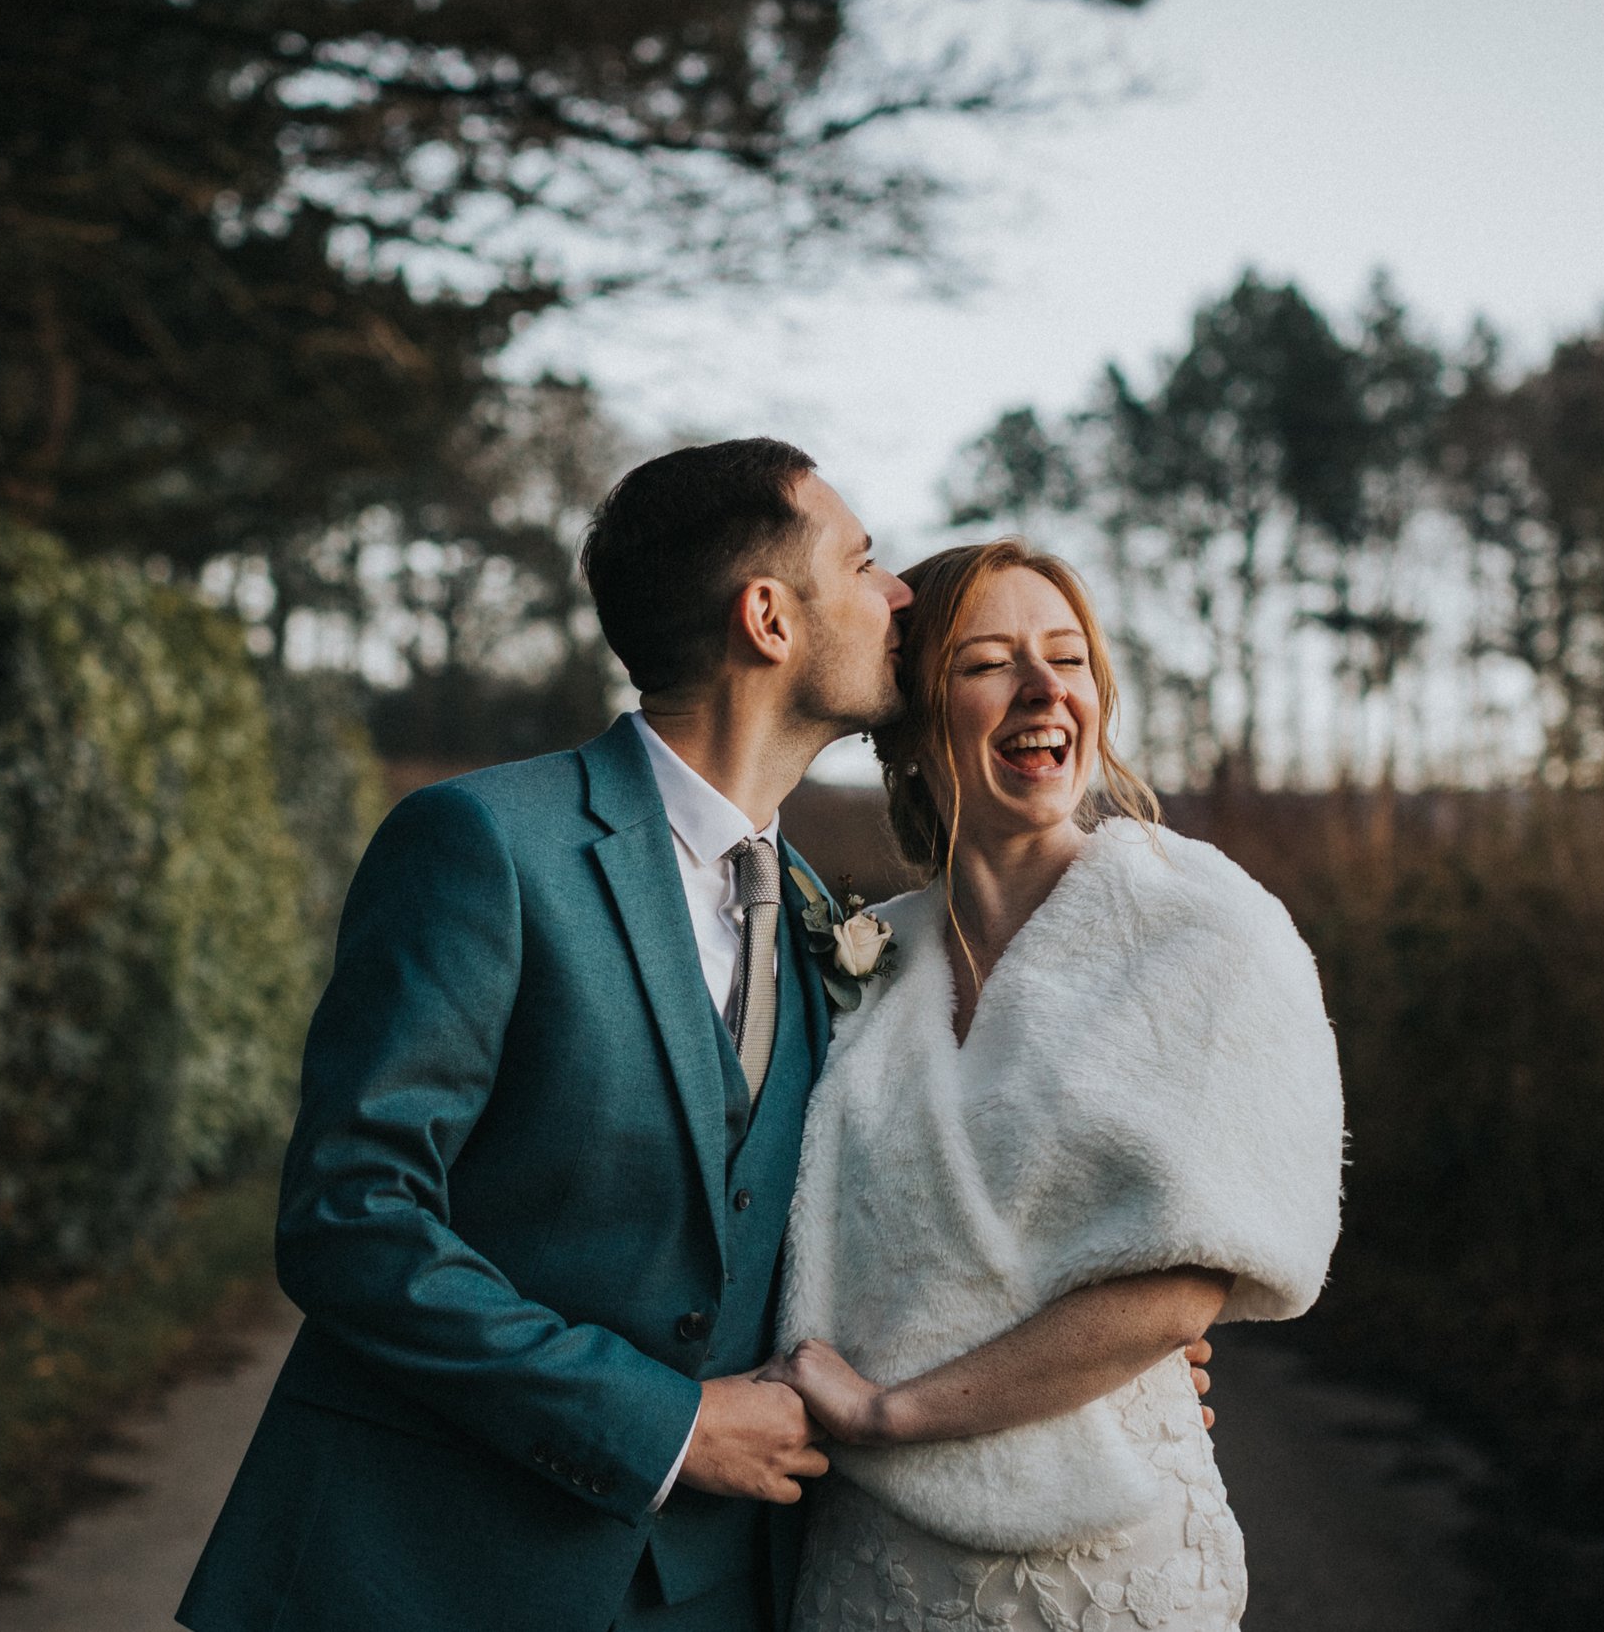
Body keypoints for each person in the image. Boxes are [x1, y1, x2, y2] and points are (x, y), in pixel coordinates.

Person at [176, 438, 910, 1632]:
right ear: (767, 617)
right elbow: (351, 1218)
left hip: (715, 1591)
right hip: (428, 1569)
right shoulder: (481, 843)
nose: (898, 593)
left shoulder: (818, 915)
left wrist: (1097, 1382)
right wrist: (667, 1422)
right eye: (865, 561)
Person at [769, 539, 1346, 1632]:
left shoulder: (1204, 925)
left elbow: (1180, 1281)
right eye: (988, 662)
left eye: (1068, 656)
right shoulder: (863, 959)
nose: (1044, 689)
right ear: (909, 719)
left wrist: (893, 1412)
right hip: (869, 1560)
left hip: (1100, 1562)